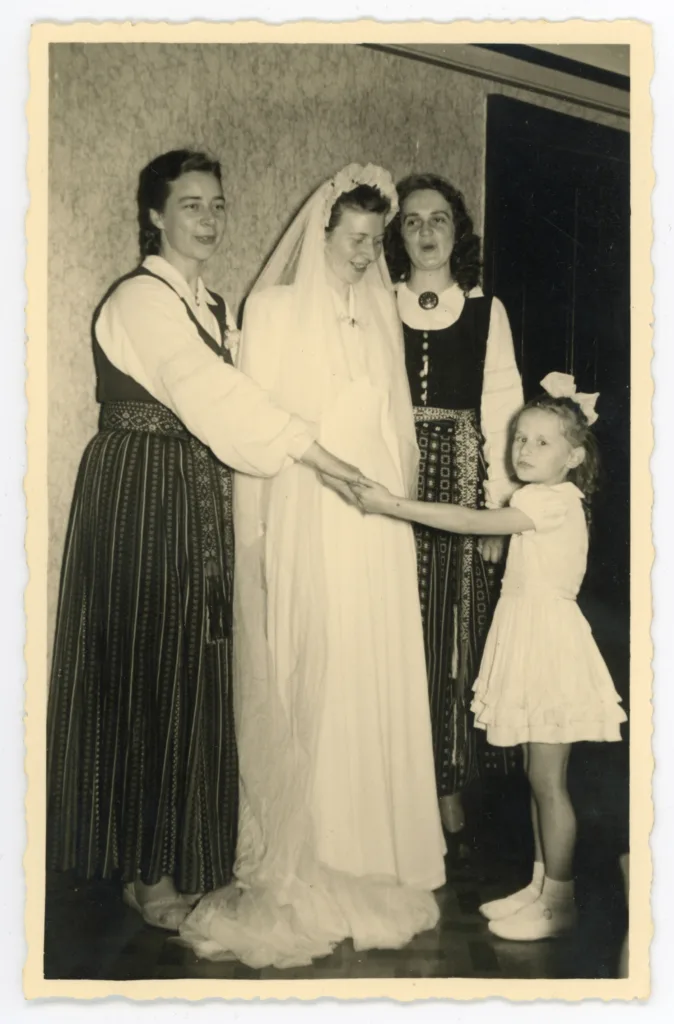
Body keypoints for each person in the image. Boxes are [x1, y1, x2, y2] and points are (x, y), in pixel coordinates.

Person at [46, 150, 362, 931]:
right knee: (146, 667)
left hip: (197, 493)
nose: (210, 219)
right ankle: (144, 872)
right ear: (154, 215)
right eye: (192, 205)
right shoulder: (139, 300)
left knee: (195, 666)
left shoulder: (219, 307)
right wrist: (313, 450)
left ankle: (187, 855)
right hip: (140, 489)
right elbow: (209, 390)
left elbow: (255, 390)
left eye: (218, 205)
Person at [178, 164, 446, 968]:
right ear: (322, 230)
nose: (368, 256)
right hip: (307, 510)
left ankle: (373, 853)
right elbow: (263, 429)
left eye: (377, 242)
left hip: (374, 519)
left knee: (372, 672)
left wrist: (393, 504)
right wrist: (259, 539)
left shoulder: (379, 311)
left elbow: (394, 423)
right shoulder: (274, 307)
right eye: (356, 240)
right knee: (317, 677)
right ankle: (315, 858)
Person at [352, 372, 627, 941]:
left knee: (550, 782)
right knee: (536, 775)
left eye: (541, 442)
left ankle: (562, 900)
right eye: (519, 439)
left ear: (574, 456)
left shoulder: (553, 502)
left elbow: (473, 522)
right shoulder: (539, 497)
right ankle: (540, 885)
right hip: (528, 638)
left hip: (550, 649)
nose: (523, 450)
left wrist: (390, 504)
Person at [385, 173, 524, 851]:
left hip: (462, 482)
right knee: (394, 632)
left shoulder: (483, 309)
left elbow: (503, 410)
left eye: (439, 219)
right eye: (412, 221)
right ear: (397, 235)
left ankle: (447, 793)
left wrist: (501, 508)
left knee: (451, 635)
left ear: (457, 230)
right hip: (395, 479)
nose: (427, 232)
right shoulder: (377, 304)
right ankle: (395, 792)